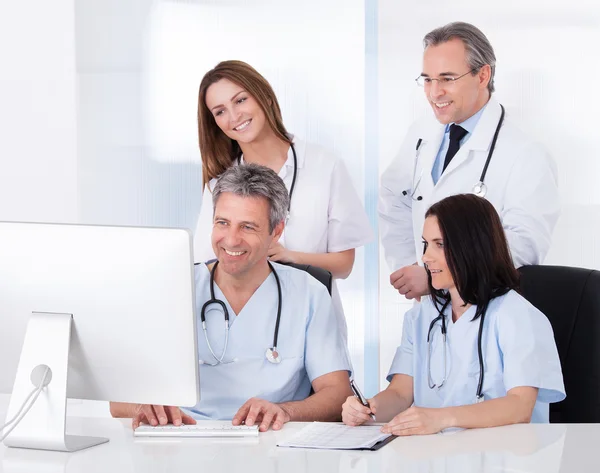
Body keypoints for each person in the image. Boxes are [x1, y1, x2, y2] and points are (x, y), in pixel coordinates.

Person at [111, 164, 352, 432]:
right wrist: (143, 408)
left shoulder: (309, 293)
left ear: (276, 231)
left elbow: (338, 394)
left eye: (248, 227)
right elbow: (118, 399)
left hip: (269, 440)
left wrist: (284, 411)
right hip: (183, 437)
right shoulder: (172, 286)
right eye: (222, 223)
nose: (231, 240)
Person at [342, 194, 565, 435]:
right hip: (440, 456)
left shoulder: (517, 315)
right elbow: (400, 393)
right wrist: (368, 409)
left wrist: (440, 418)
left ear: (472, 246)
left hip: (504, 458)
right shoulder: (422, 317)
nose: (426, 257)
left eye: (440, 244)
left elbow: (519, 407)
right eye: (425, 243)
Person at [378, 22, 560, 301]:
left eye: (447, 79)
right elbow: (393, 200)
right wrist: (413, 267)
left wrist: (437, 275)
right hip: (428, 308)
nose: (434, 92)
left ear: (483, 75)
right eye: (427, 79)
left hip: (485, 308)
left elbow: (523, 246)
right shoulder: (421, 133)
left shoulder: (526, 154)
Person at [194, 60, 373, 341]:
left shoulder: (324, 166)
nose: (233, 116)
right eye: (220, 111)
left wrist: (291, 257)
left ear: (263, 95)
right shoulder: (219, 184)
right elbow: (204, 265)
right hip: (244, 331)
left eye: (240, 100)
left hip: (313, 328)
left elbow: (344, 265)